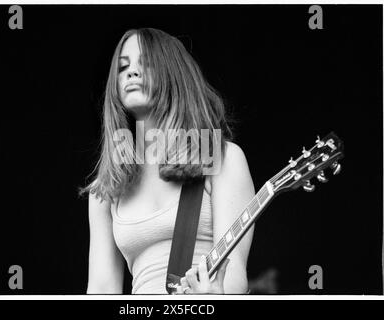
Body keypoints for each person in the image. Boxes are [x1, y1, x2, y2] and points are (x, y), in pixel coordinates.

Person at [82, 28, 255, 294]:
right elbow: (101, 289)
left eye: (146, 64)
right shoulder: (105, 189)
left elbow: (231, 273)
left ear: (174, 75)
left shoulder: (222, 158)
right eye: (123, 67)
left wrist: (216, 296)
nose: (131, 72)